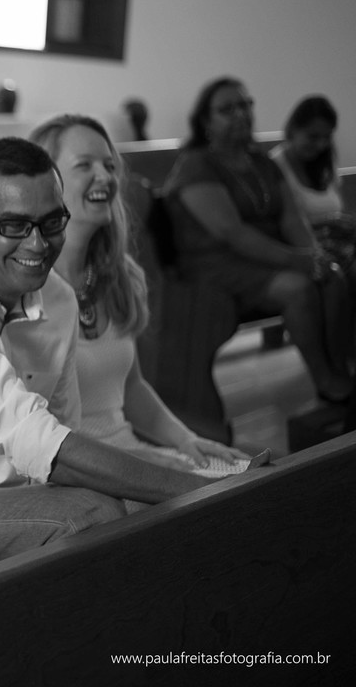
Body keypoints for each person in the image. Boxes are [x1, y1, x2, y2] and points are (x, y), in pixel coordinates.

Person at [0, 137, 264, 561]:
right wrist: (194, 487)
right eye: (14, 226)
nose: (37, 244)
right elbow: (43, 444)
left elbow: (65, 426)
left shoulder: (57, 297)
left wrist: (188, 467)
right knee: (92, 513)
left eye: (52, 222)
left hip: (28, 489)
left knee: (172, 496)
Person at [32, 114, 251, 474]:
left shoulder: (115, 276)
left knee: (246, 476)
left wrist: (185, 440)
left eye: (109, 165)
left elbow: (132, 388)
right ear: (46, 182)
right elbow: (38, 437)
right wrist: (143, 463)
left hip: (133, 455)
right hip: (78, 477)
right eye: (84, 165)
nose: (104, 177)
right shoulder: (27, 289)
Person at [164, 77, 352, 403]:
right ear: (205, 120)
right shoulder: (197, 165)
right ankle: (324, 380)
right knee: (298, 288)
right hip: (215, 264)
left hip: (263, 258)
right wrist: (297, 261)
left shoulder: (262, 162)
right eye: (227, 109)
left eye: (245, 105)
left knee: (332, 275)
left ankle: (340, 370)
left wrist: (314, 255)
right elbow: (231, 232)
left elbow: (292, 218)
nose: (240, 113)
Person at [271, 95, 355, 270]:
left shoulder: (325, 162)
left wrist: (342, 223)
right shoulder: (274, 167)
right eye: (313, 137)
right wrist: (329, 223)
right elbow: (280, 227)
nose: (320, 145)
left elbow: (339, 207)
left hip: (340, 243)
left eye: (326, 138)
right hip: (307, 249)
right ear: (293, 130)